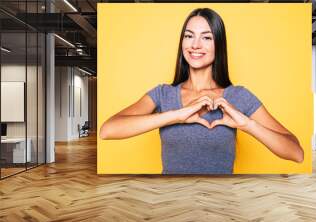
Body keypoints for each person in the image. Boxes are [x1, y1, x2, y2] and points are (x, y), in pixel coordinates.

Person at [99, 8, 304, 174]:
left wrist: (248, 124)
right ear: (182, 43)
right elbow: (108, 130)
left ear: (219, 45)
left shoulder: (238, 96)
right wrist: (175, 116)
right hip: (170, 205)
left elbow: (296, 153)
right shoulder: (163, 94)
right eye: (189, 36)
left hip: (221, 207)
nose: (195, 45)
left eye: (206, 38)